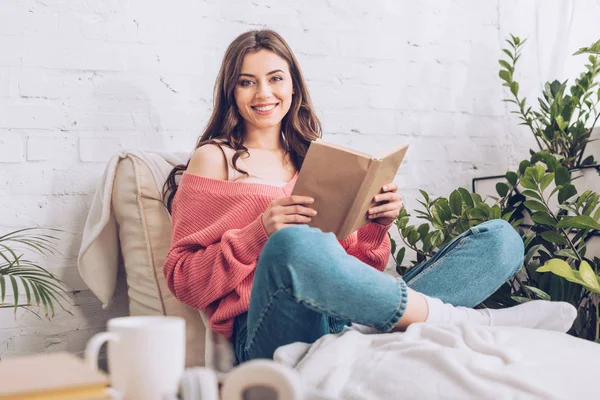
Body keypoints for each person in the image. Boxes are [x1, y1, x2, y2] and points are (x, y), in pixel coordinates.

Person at [162, 29, 577, 364]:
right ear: (231, 91)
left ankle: (370, 329)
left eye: (275, 78)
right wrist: (260, 232)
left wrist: (377, 226)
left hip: (345, 316)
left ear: (294, 85)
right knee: (292, 242)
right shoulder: (215, 158)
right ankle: (458, 321)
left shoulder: (314, 159)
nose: (263, 94)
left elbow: (359, 267)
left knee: (502, 239)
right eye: (247, 82)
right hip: (269, 331)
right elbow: (183, 278)